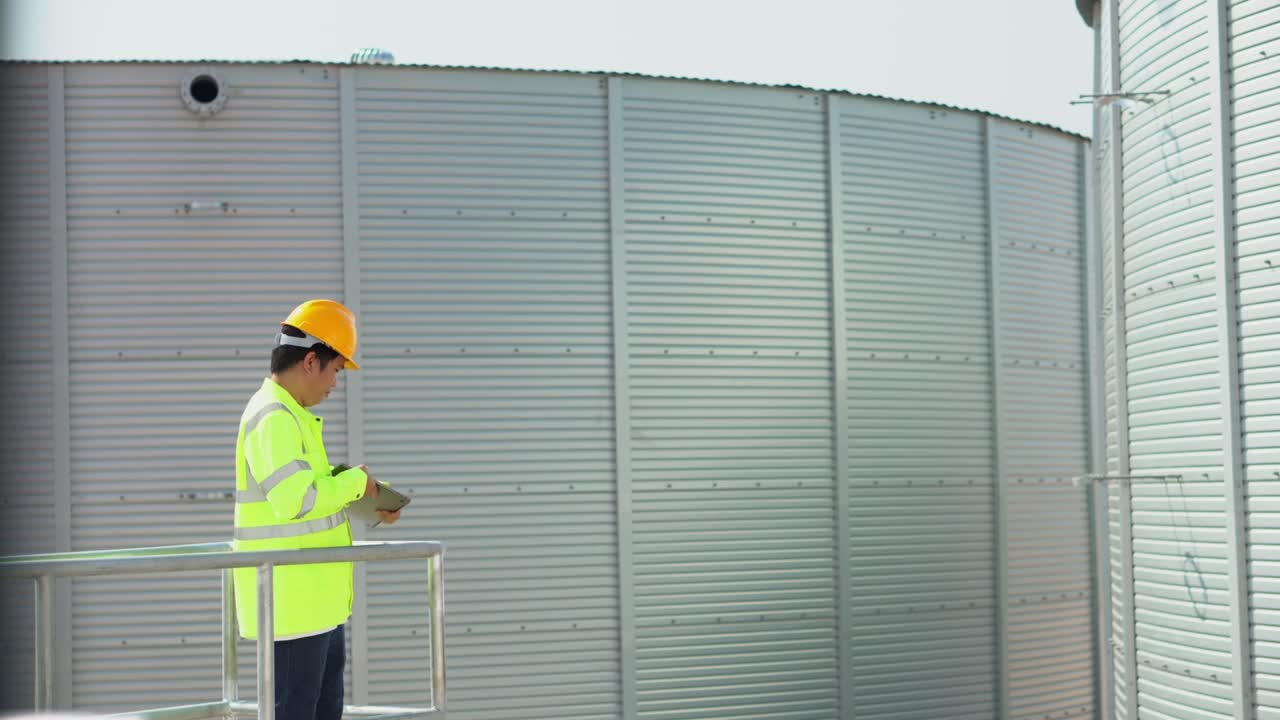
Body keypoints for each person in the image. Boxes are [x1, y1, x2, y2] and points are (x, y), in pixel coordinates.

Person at [231, 298, 401, 720]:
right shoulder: (273, 417)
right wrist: (351, 482)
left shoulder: (294, 417)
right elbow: (296, 500)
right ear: (311, 362)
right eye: (336, 371)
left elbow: (314, 492)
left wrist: (367, 499)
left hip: (316, 606)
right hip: (291, 610)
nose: (335, 385)